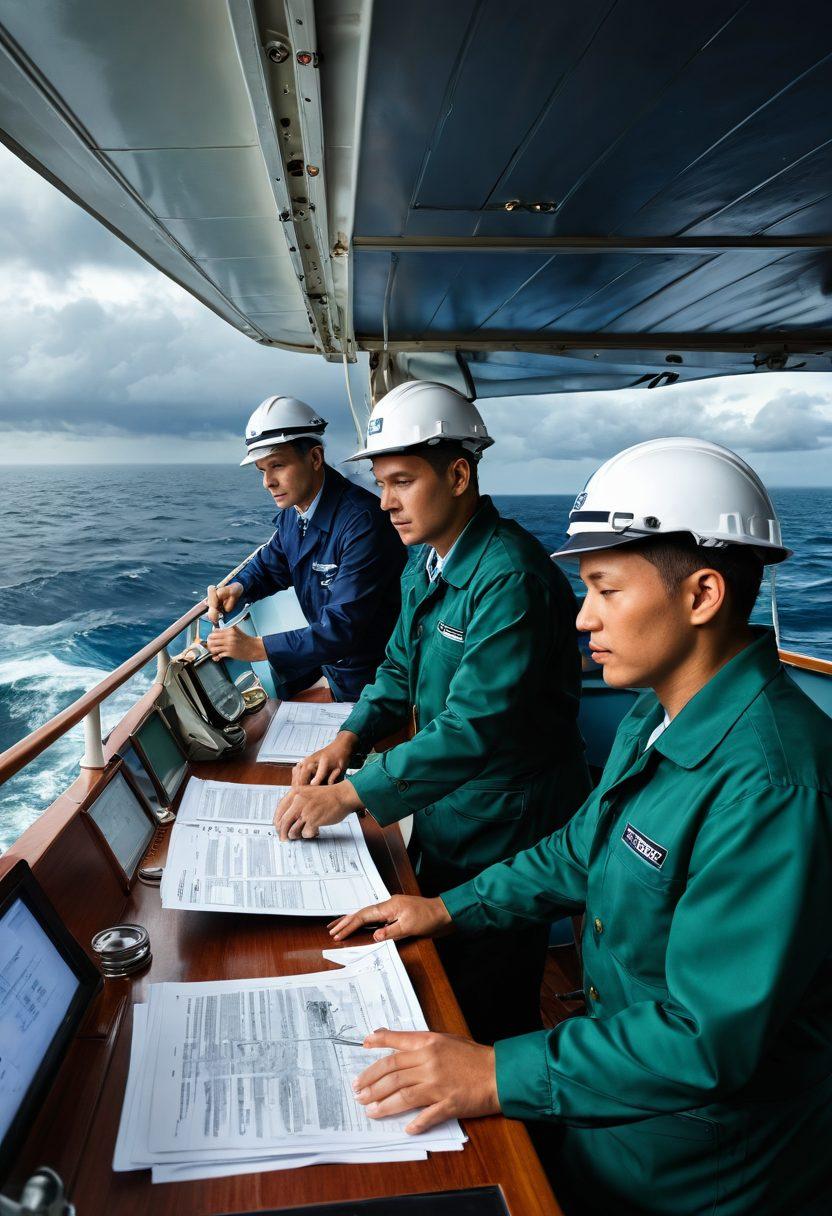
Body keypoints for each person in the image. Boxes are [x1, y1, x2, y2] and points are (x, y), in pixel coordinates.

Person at [326, 437, 832, 1216]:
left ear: (701, 596)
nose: (582, 617)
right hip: (615, 1111)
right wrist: (448, 908)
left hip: (698, 1169)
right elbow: (577, 849)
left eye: (604, 590)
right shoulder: (656, 716)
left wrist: (494, 1075)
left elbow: (705, 1038)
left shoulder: (771, 786)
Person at [275, 380, 591, 1043]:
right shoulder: (430, 563)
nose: (386, 502)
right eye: (382, 483)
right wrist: (351, 737)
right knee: (451, 979)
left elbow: (473, 728)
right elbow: (396, 667)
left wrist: (351, 797)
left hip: (508, 827)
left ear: (457, 474)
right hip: (454, 813)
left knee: (490, 999)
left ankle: (512, 1130)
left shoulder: (510, 579)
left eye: (402, 481)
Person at [204, 395, 405, 701]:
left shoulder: (363, 524)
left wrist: (256, 648)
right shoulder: (294, 512)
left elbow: (342, 628)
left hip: (372, 679)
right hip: (333, 665)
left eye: (277, 466)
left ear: (314, 458)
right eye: (262, 470)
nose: (268, 482)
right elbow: (273, 563)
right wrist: (239, 587)